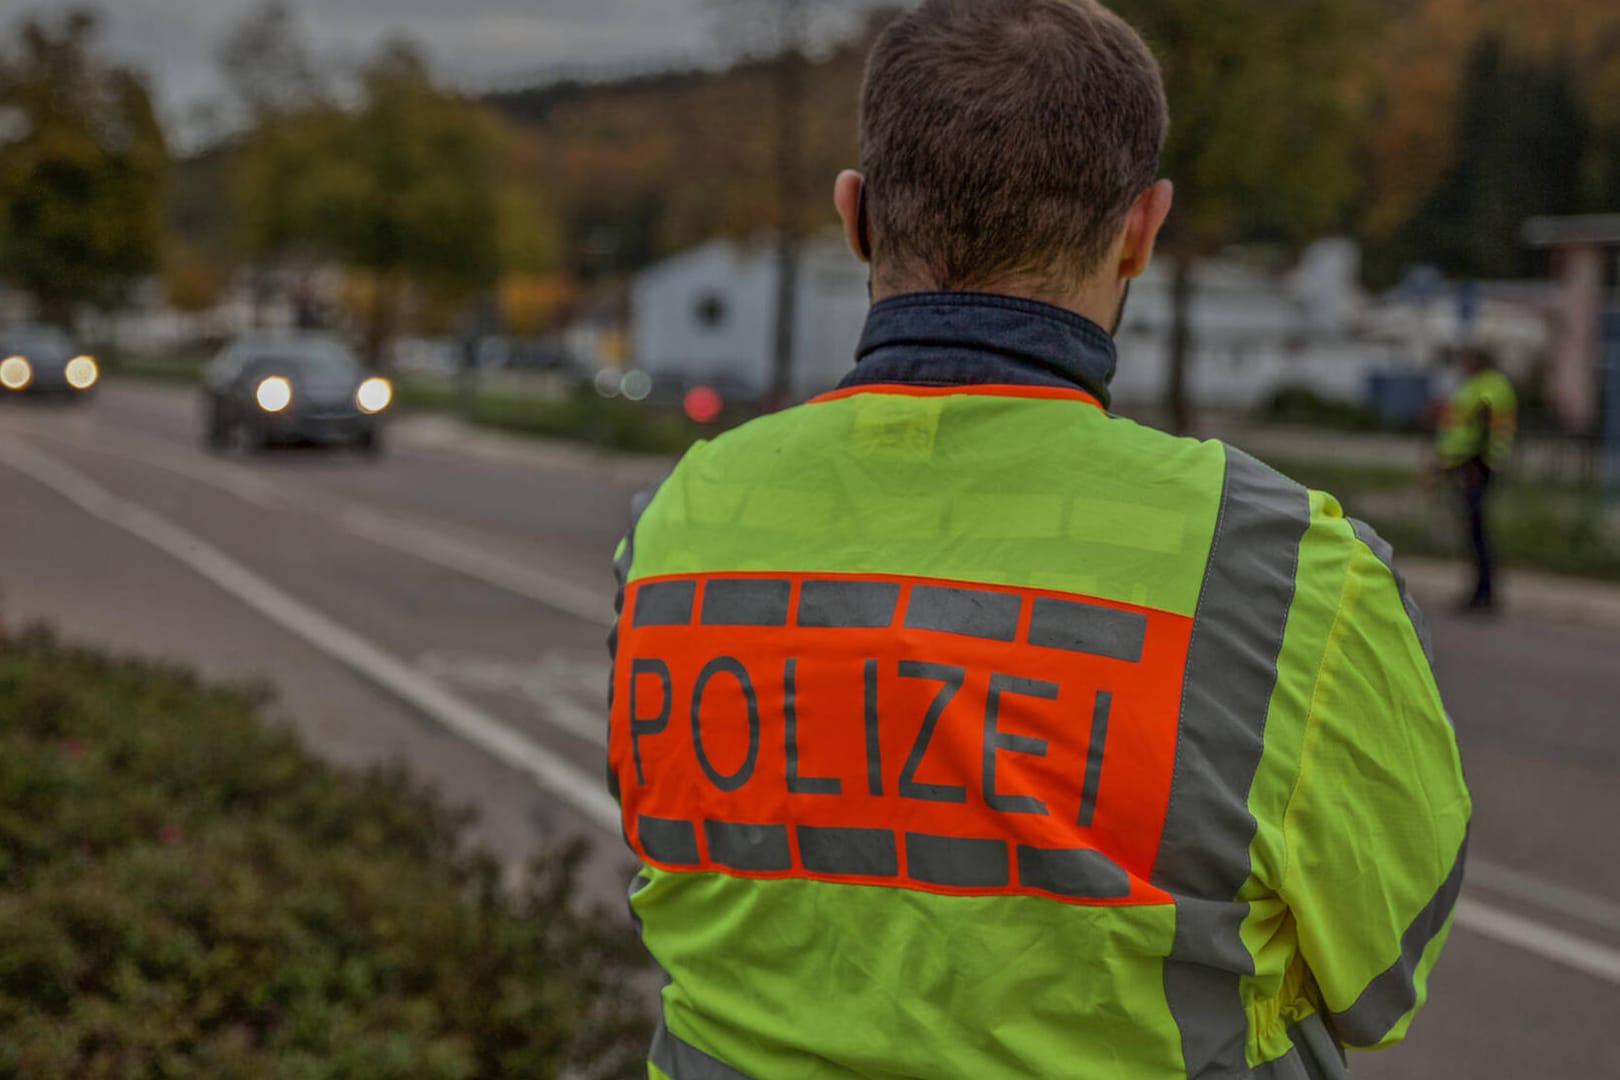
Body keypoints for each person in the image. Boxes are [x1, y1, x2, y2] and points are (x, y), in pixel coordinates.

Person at [608, 2, 1469, 1076]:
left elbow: (668, 889)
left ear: (856, 216)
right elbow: (1380, 981)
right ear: (1142, 229)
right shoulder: (1291, 572)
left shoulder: (680, 525)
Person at [1435, 347, 1517, 614]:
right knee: (1474, 533)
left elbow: (1482, 429)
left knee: (1478, 534)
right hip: (1472, 466)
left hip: (1478, 468)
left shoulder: (1489, 387)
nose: (1463, 365)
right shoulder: (1476, 386)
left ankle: (1484, 594)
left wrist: (1472, 466)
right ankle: (1480, 592)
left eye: (1467, 359)